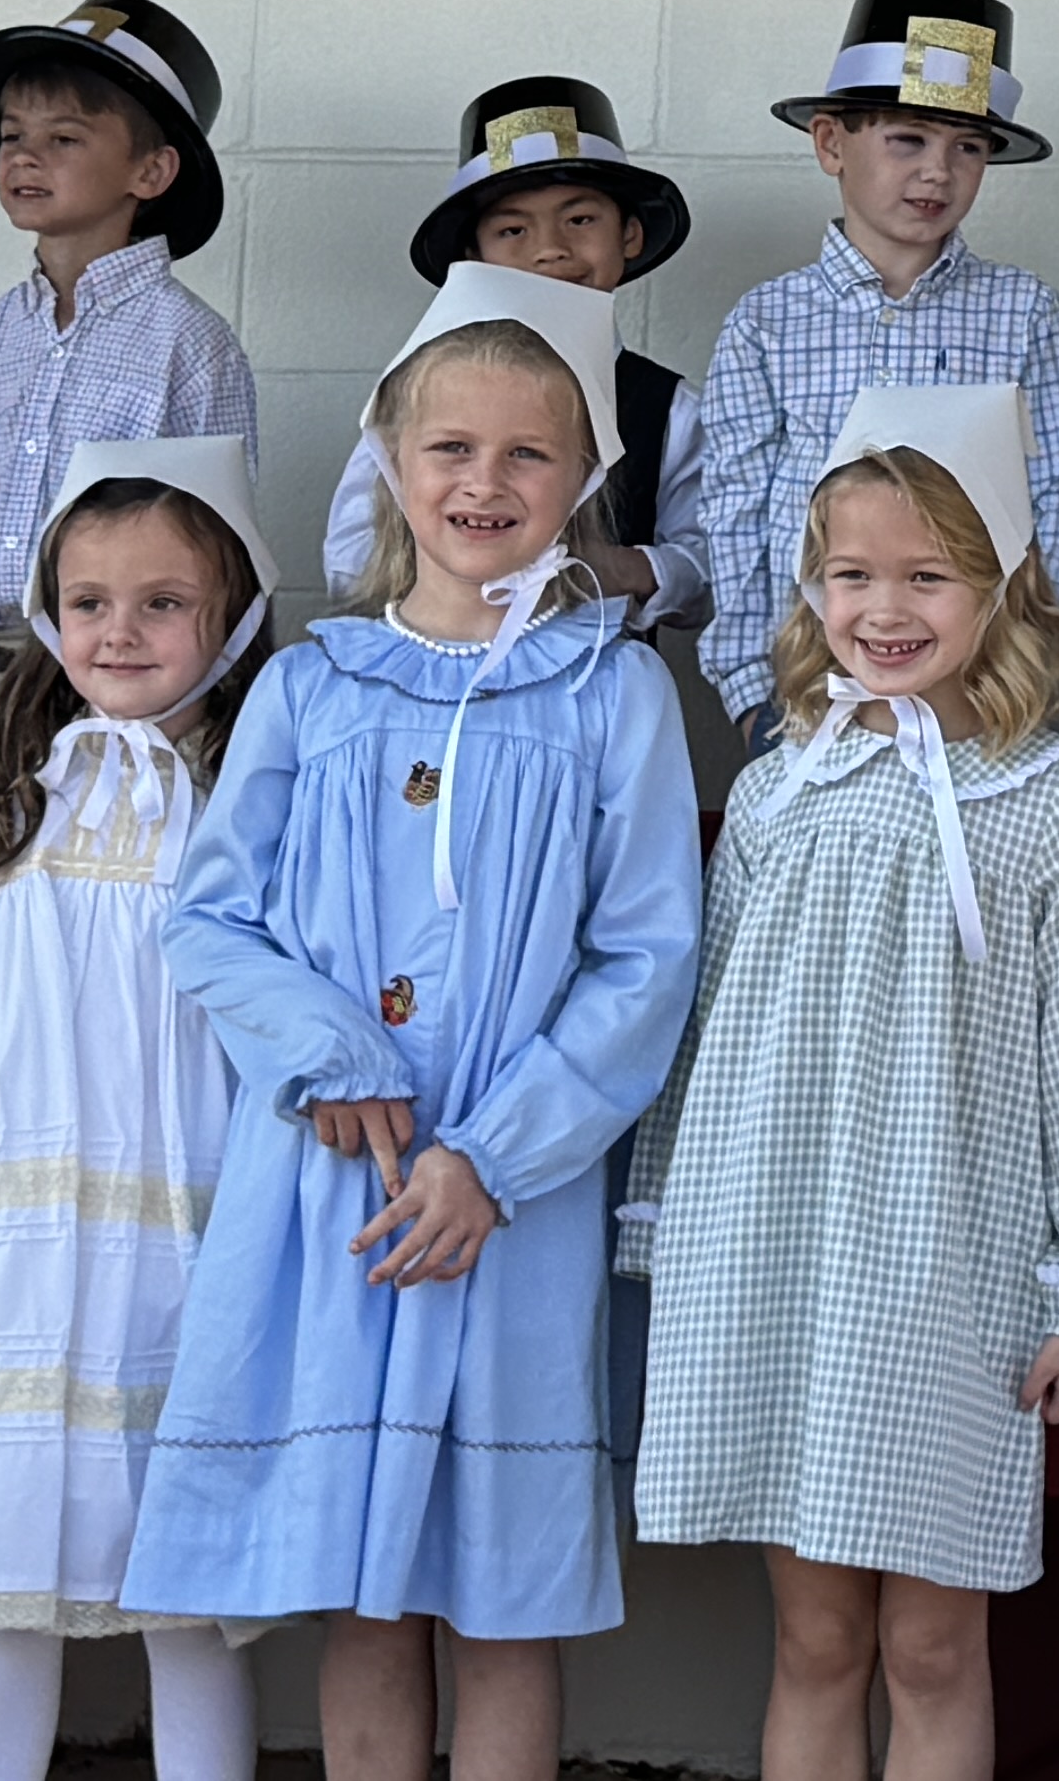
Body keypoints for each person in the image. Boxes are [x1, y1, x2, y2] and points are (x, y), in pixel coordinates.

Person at [120, 274, 705, 1781]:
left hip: (505, 1206)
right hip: (337, 1188)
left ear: (583, 483)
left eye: (527, 455)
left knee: (501, 1598)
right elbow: (210, 918)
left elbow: (647, 958)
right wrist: (329, 1051)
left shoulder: (613, 692)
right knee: (364, 1601)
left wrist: (496, 1158)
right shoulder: (314, 686)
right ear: (390, 460)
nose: (484, 484)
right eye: (450, 448)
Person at [639, 385, 1059, 1781]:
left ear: (1000, 589)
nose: (885, 608)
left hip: (952, 1274)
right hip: (779, 1255)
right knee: (814, 1640)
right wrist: (667, 1221)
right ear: (812, 589)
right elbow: (708, 1034)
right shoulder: (776, 793)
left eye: (928, 575)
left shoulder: (1049, 801)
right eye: (853, 574)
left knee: (935, 1646)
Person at [0, 439, 272, 1781]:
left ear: (232, 615)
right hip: (7, 1267)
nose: (122, 630)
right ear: (47, 612)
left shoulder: (252, 806)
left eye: (164, 601)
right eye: (91, 599)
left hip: (189, 1244)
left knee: (189, 1608)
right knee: (1, 1597)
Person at [671, 0, 1059, 713]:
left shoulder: (1023, 311)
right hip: (807, 686)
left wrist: (1028, 658)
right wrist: (752, 689)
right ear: (832, 143)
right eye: (909, 140)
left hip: (979, 686)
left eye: (968, 148)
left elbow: (1058, 493)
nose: (939, 171)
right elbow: (735, 510)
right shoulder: (767, 320)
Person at [0, 0, 253, 703]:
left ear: (151, 173)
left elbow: (222, 554)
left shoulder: (190, 345)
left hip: (118, 693)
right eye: (11, 136)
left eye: (64, 139)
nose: (26, 157)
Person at [322, 73, 709, 634]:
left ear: (629, 234)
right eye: (512, 230)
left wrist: (627, 566)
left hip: (594, 694)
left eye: (580, 220)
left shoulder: (669, 407)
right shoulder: (419, 391)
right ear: (472, 253)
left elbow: (712, 572)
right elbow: (350, 558)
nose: (551, 249)